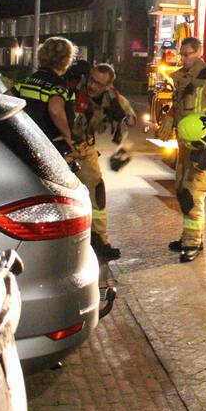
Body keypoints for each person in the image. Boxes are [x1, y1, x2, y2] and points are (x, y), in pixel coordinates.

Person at [161, 37, 206, 262]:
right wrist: (170, 117)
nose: (183, 58)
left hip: (200, 143)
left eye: (187, 54)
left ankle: (191, 244)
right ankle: (190, 237)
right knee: (183, 191)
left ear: (198, 53)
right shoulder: (181, 77)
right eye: (181, 54)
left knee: (193, 194)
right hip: (183, 144)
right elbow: (180, 103)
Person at [70, 62, 136, 262]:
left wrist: (123, 123)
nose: (92, 86)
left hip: (86, 149)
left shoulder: (112, 98)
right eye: (91, 80)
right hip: (63, 149)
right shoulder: (72, 88)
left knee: (97, 193)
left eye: (99, 84)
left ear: (107, 86)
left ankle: (100, 240)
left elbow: (131, 122)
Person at [16, 37, 77, 156]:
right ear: (65, 60)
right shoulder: (59, 84)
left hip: (27, 140)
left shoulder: (28, 81)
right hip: (49, 146)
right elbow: (55, 109)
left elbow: (4, 99)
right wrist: (67, 135)